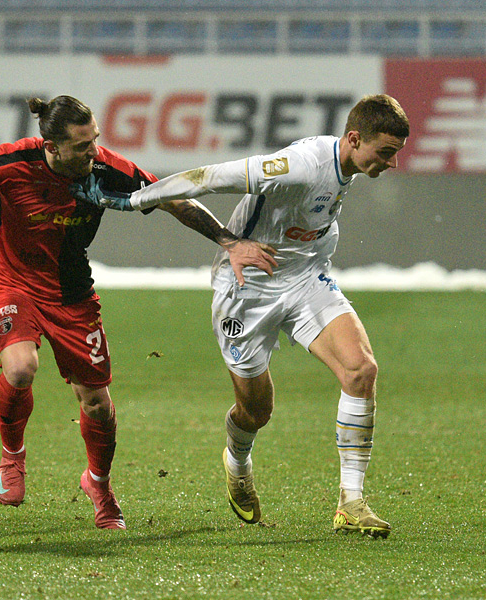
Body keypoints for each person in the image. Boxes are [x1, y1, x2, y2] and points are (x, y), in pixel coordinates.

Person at [0, 95, 275, 531]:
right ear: (52, 147)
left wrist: (229, 241)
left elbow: (172, 198)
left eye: (95, 140)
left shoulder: (108, 168)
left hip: (71, 294)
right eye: (82, 146)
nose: (94, 152)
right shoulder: (7, 163)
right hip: (12, 283)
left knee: (97, 404)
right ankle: (12, 457)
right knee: (20, 368)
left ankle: (99, 484)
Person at [74, 93, 409, 537]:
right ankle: (237, 460)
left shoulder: (343, 166)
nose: (391, 163)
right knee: (256, 411)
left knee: (361, 369)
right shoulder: (300, 165)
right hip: (247, 288)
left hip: (305, 279)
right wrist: (133, 200)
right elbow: (209, 178)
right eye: (385, 152)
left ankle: (351, 501)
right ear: (353, 138)